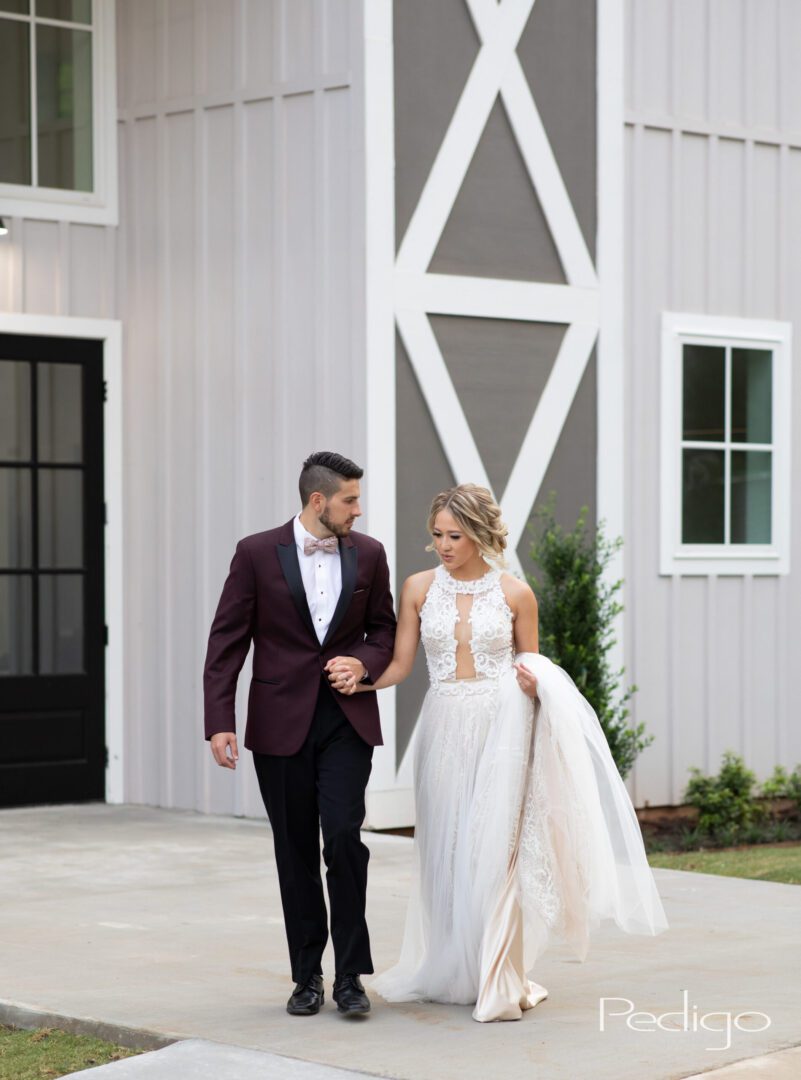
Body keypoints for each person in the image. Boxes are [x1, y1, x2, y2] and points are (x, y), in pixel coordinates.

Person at [328, 483, 668, 1023]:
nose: (443, 545)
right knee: (446, 848)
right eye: (437, 534)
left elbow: (531, 668)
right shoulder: (417, 588)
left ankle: (498, 976)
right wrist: (362, 680)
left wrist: (536, 688)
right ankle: (453, 967)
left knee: (496, 854)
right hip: (441, 729)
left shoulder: (515, 594)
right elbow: (400, 664)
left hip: (502, 729)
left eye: (455, 536)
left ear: (481, 535)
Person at [203, 451, 397, 1018]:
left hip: (346, 722)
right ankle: (307, 976)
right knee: (294, 852)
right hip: (278, 724)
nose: (358, 511)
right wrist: (220, 719)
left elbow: (383, 630)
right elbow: (227, 641)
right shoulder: (256, 553)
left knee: (343, 839)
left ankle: (350, 977)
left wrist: (362, 663)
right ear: (319, 501)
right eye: (350, 501)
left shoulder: (371, 555)